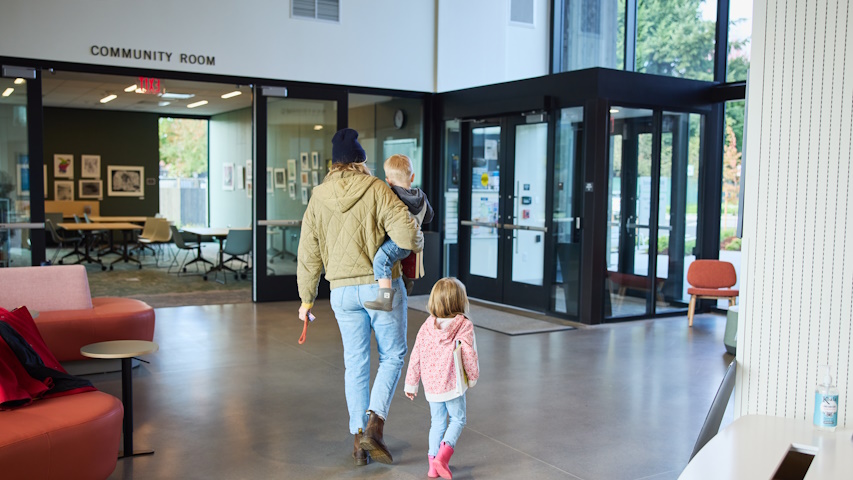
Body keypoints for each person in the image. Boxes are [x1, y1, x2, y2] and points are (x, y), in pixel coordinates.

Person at [297, 127, 423, 467]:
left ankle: (357, 442)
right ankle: (375, 425)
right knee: (393, 355)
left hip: (341, 292)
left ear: (334, 164)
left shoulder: (318, 196)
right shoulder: (377, 188)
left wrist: (306, 299)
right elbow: (407, 236)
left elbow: (308, 252)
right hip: (378, 287)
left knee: (355, 363)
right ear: (361, 161)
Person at [404, 277, 480, 480]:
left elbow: (416, 355)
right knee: (458, 419)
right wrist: (472, 378)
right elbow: (469, 354)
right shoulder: (464, 325)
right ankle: (442, 458)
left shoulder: (427, 325)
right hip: (452, 384)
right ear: (460, 301)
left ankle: (432, 467)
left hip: (432, 386)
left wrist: (411, 383)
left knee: (437, 423)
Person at [364, 154, 434, 311]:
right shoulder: (421, 196)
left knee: (381, 261)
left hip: (397, 241)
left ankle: (385, 299)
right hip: (412, 242)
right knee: (399, 265)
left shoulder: (392, 195)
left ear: (388, 180)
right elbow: (429, 217)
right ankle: (406, 285)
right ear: (412, 177)